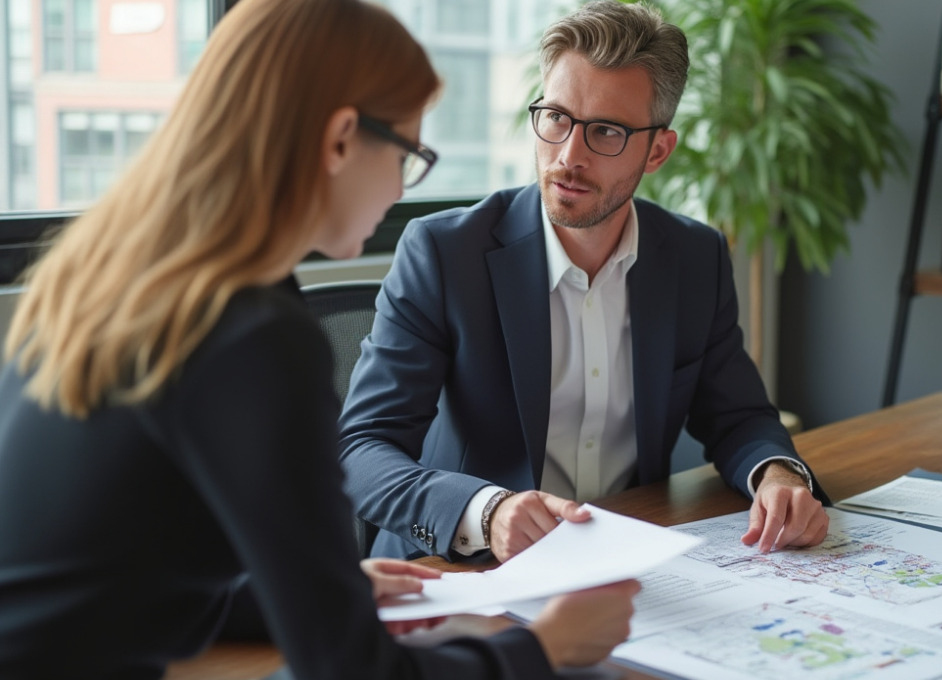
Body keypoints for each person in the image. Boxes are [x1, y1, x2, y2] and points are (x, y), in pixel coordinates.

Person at [0, 0, 639, 678]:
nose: (399, 189)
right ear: (339, 139)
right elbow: (347, 671)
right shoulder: (250, 332)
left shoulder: (122, 271)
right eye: (408, 155)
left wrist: (322, 592)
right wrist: (542, 649)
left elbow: (115, 579)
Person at [338, 0, 831, 566]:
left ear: (658, 151)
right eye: (556, 118)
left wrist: (776, 476)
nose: (569, 155)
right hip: (463, 569)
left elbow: (738, 416)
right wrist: (487, 511)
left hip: (626, 557)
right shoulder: (444, 254)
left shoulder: (696, 257)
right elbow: (362, 451)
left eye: (606, 131)